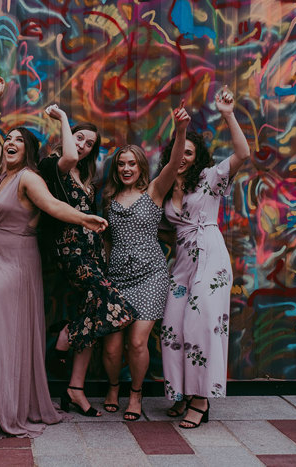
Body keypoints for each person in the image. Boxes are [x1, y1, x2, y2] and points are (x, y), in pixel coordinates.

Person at [0, 77, 109, 439]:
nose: (9, 144)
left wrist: (84, 218)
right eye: (8, 140)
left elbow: (53, 206)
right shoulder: (3, 173)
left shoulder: (29, 177)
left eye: (18, 141)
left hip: (15, 263)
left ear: (28, 151)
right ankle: (2, 397)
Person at [35, 102, 137, 419]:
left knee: (92, 318)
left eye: (88, 144)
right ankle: (65, 337)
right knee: (117, 308)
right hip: (70, 253)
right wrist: (64, 118)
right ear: (69, 136)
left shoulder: (86, 178)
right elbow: (68, 155)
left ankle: (75, 389)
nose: (82, 146)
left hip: (92, 255)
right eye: (79, 138)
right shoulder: (55, 166)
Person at [159, 86, 250, 428]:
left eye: (189, 152)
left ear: (197, 156)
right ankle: (181, 392)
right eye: (179, 150)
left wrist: (227, 113)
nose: (183, 156)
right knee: (173, 327)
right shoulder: (167, 185)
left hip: (210, 258)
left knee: (202, 326)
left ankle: (201, 400)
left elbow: (243, 154)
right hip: (182, 263)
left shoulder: (209, 179)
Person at [100, 103, 190, 420]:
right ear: (116, 168)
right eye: (122, 164)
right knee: (112, 347)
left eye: (132, 164)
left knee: (137, 342)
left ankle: (135, 395)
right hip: (117, 279)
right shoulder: (109, 199)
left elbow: (176, 161)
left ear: (141, 168)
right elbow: (107, 240)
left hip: (151, 276)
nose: (126, 169)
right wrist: (105, 276)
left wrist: (180, 130)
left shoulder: (153, 191)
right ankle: (113, 387)